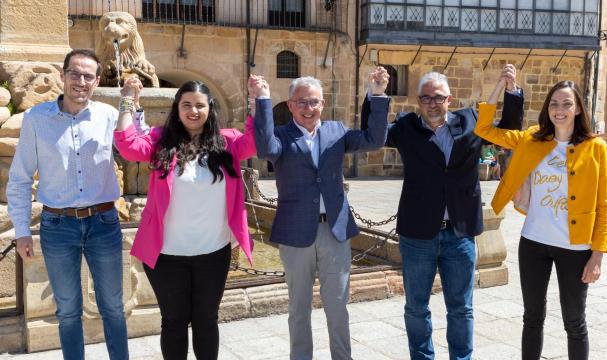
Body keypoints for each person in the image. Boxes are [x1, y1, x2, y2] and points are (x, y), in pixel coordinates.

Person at [361, 67, 524, 360]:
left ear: (449, 98)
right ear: (418, 102)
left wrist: (511, 90)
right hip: (418, 234)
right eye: (425, 98)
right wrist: (376, 94)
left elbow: (508, 132)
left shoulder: (472, 120)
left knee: (461, 308)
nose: (432, 104)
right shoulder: (406, 126)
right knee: (416, 306)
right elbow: (373, 136)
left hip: (459, 233)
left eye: (438, 97)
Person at [113, 78, 259, 359]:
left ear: (210, 108)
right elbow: (128, 146)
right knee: (174, 323)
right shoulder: (160, 141)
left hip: (213, 253)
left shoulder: (227, 142)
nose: (193, 111)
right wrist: (127, 100)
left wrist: (256, 100)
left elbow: (256, 141)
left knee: (207, 321)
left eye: (200, 105)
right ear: (177, 109)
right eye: (186, 105)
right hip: (167, 255)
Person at [253, 68, 390, 360]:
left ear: (323, 104)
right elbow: (264, 148)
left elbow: (374, 140)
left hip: (335, 232)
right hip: (295, 234)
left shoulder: (336, 131)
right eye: (301, 102)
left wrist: (376, 95)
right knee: (298, 309)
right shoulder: (279, 136)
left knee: (338, 308)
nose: (308, 108)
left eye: (314, 102)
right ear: (290, 105)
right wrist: (262, 100)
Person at [476, 65, 607, 360]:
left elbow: (604, 206)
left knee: (575, 322)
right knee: (532, 318)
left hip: (576, 248)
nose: (559, 109)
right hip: (534, 242)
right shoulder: (532, 139)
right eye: (554, 103)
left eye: (566, 103)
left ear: (577, 109)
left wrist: (597, 255)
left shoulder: (595, 148)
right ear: (547, 108)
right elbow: (483, 129)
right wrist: (501, 86)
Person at [7, 49, 129, 359]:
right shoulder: (36, 119)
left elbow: (135, 147)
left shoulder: (109, 115)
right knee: (68, 310)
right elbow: (20, 178)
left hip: (104, 222)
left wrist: (132, 102)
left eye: (88, 76)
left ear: (97, 81)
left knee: (114, 307)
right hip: (58, 226)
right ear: (63, 76)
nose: (81, 81)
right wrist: (22, 230)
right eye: (75, 73)